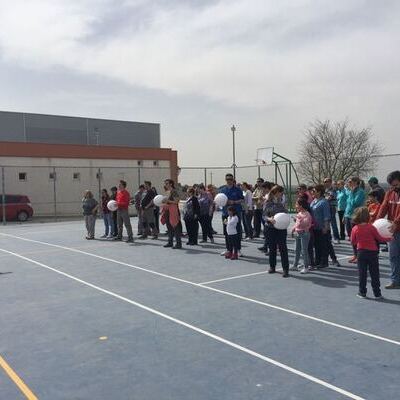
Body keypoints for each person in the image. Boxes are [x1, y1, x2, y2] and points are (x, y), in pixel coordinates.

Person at [351, 207, 390, 299]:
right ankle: (377, 293)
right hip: (373, 252)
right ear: (367, 216)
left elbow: (353, 241)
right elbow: (380, 239)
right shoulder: (371, 227)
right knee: (375, 273)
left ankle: (362, 292)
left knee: (362, 273)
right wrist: (389, 239)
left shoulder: (355, 228)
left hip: (361, 252)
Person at [377, 170, 400, 289]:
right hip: (393, 231)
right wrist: (377, 221)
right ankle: (395, 281)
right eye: (391, 185)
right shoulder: (389, 192)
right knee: (393, 256)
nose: (393, 187)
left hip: (396, 226)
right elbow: (383, 207)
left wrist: (396, 222)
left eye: (396, 185)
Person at [263, 185, 290, 277]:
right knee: (272, 248)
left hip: (281, 229)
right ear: (275, 192)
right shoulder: (268, 202)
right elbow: (264, 215)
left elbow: (285, 213)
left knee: (283, 248)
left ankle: (285, 269)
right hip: (270, 228)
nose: (282, 194)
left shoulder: (282, 202)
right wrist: (269, 219)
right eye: (280, 192)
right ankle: (272, 266)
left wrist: (286, 213)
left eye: (282, 192)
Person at [220, 174, 244, 257]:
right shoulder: (222, 190)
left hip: (235, 214)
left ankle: (237, 249)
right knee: (226, 231)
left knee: (237, 231)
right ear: (225, 180)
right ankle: (228, 250)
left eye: (230, 179)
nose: (229, 180)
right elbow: (219, 200)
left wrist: (234, 202)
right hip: (225, 214)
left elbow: (242, 200)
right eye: (227, 179)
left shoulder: (238, 189)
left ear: (233, 179)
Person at [344, 177, 366, 263]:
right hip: (348, 216)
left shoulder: (360, 192)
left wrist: (352, 193)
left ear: (356, 182)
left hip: (355, 216)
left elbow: (355, 203)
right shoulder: (351, 192)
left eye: (350, 181)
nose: (348, 183)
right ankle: (355, 254)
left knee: (357, 237)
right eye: (348, 181)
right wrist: (344, 216)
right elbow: (348, 205)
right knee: (351, 237)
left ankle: (359, 256)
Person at [310, 184, 331, 269]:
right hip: (314, 227)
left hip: (322, 227)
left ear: (319, 192)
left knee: (323, 245)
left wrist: (326, 227)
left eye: (314, 191)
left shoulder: (324, 202)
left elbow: (326, 216)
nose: (312, 192)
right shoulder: (313, 201)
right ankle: (317, 261)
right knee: (317, 245)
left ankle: (324, 262)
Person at [291, 198, 312, 274]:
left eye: (297, 204)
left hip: (304, 234)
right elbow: (297, 224)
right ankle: (295, 265)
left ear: (301, 205)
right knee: (297, 250)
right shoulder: (299, 214)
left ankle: (306, 267)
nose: (296, 206)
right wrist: (293, 229)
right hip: (298, 233)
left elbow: (305, 224)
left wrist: (299, 220)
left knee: (304, 251)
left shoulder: (307, 214)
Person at [161, 179, 182, 249]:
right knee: (169, 227)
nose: (165, 185)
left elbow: (177, 201)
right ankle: (170, 242)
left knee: (176, 227)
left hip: (173, 211)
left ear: (171, 184)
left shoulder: (174, 191)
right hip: (167, 210)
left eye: (167, 183)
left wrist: (167, 200)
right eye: (165, 183)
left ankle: (178, 243)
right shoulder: (167, 192)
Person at [324, 178, 340, 243]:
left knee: (333, 223)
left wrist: (324, 199)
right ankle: (329, 237)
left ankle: (336, 238)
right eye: (324, 182)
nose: (325, 183)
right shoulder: (326, 190)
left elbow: (329, 197)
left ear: (330, 182)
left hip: (331, 207)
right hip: (327, 207)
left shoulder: (333, 189)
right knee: (327, 222)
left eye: (326, 181)